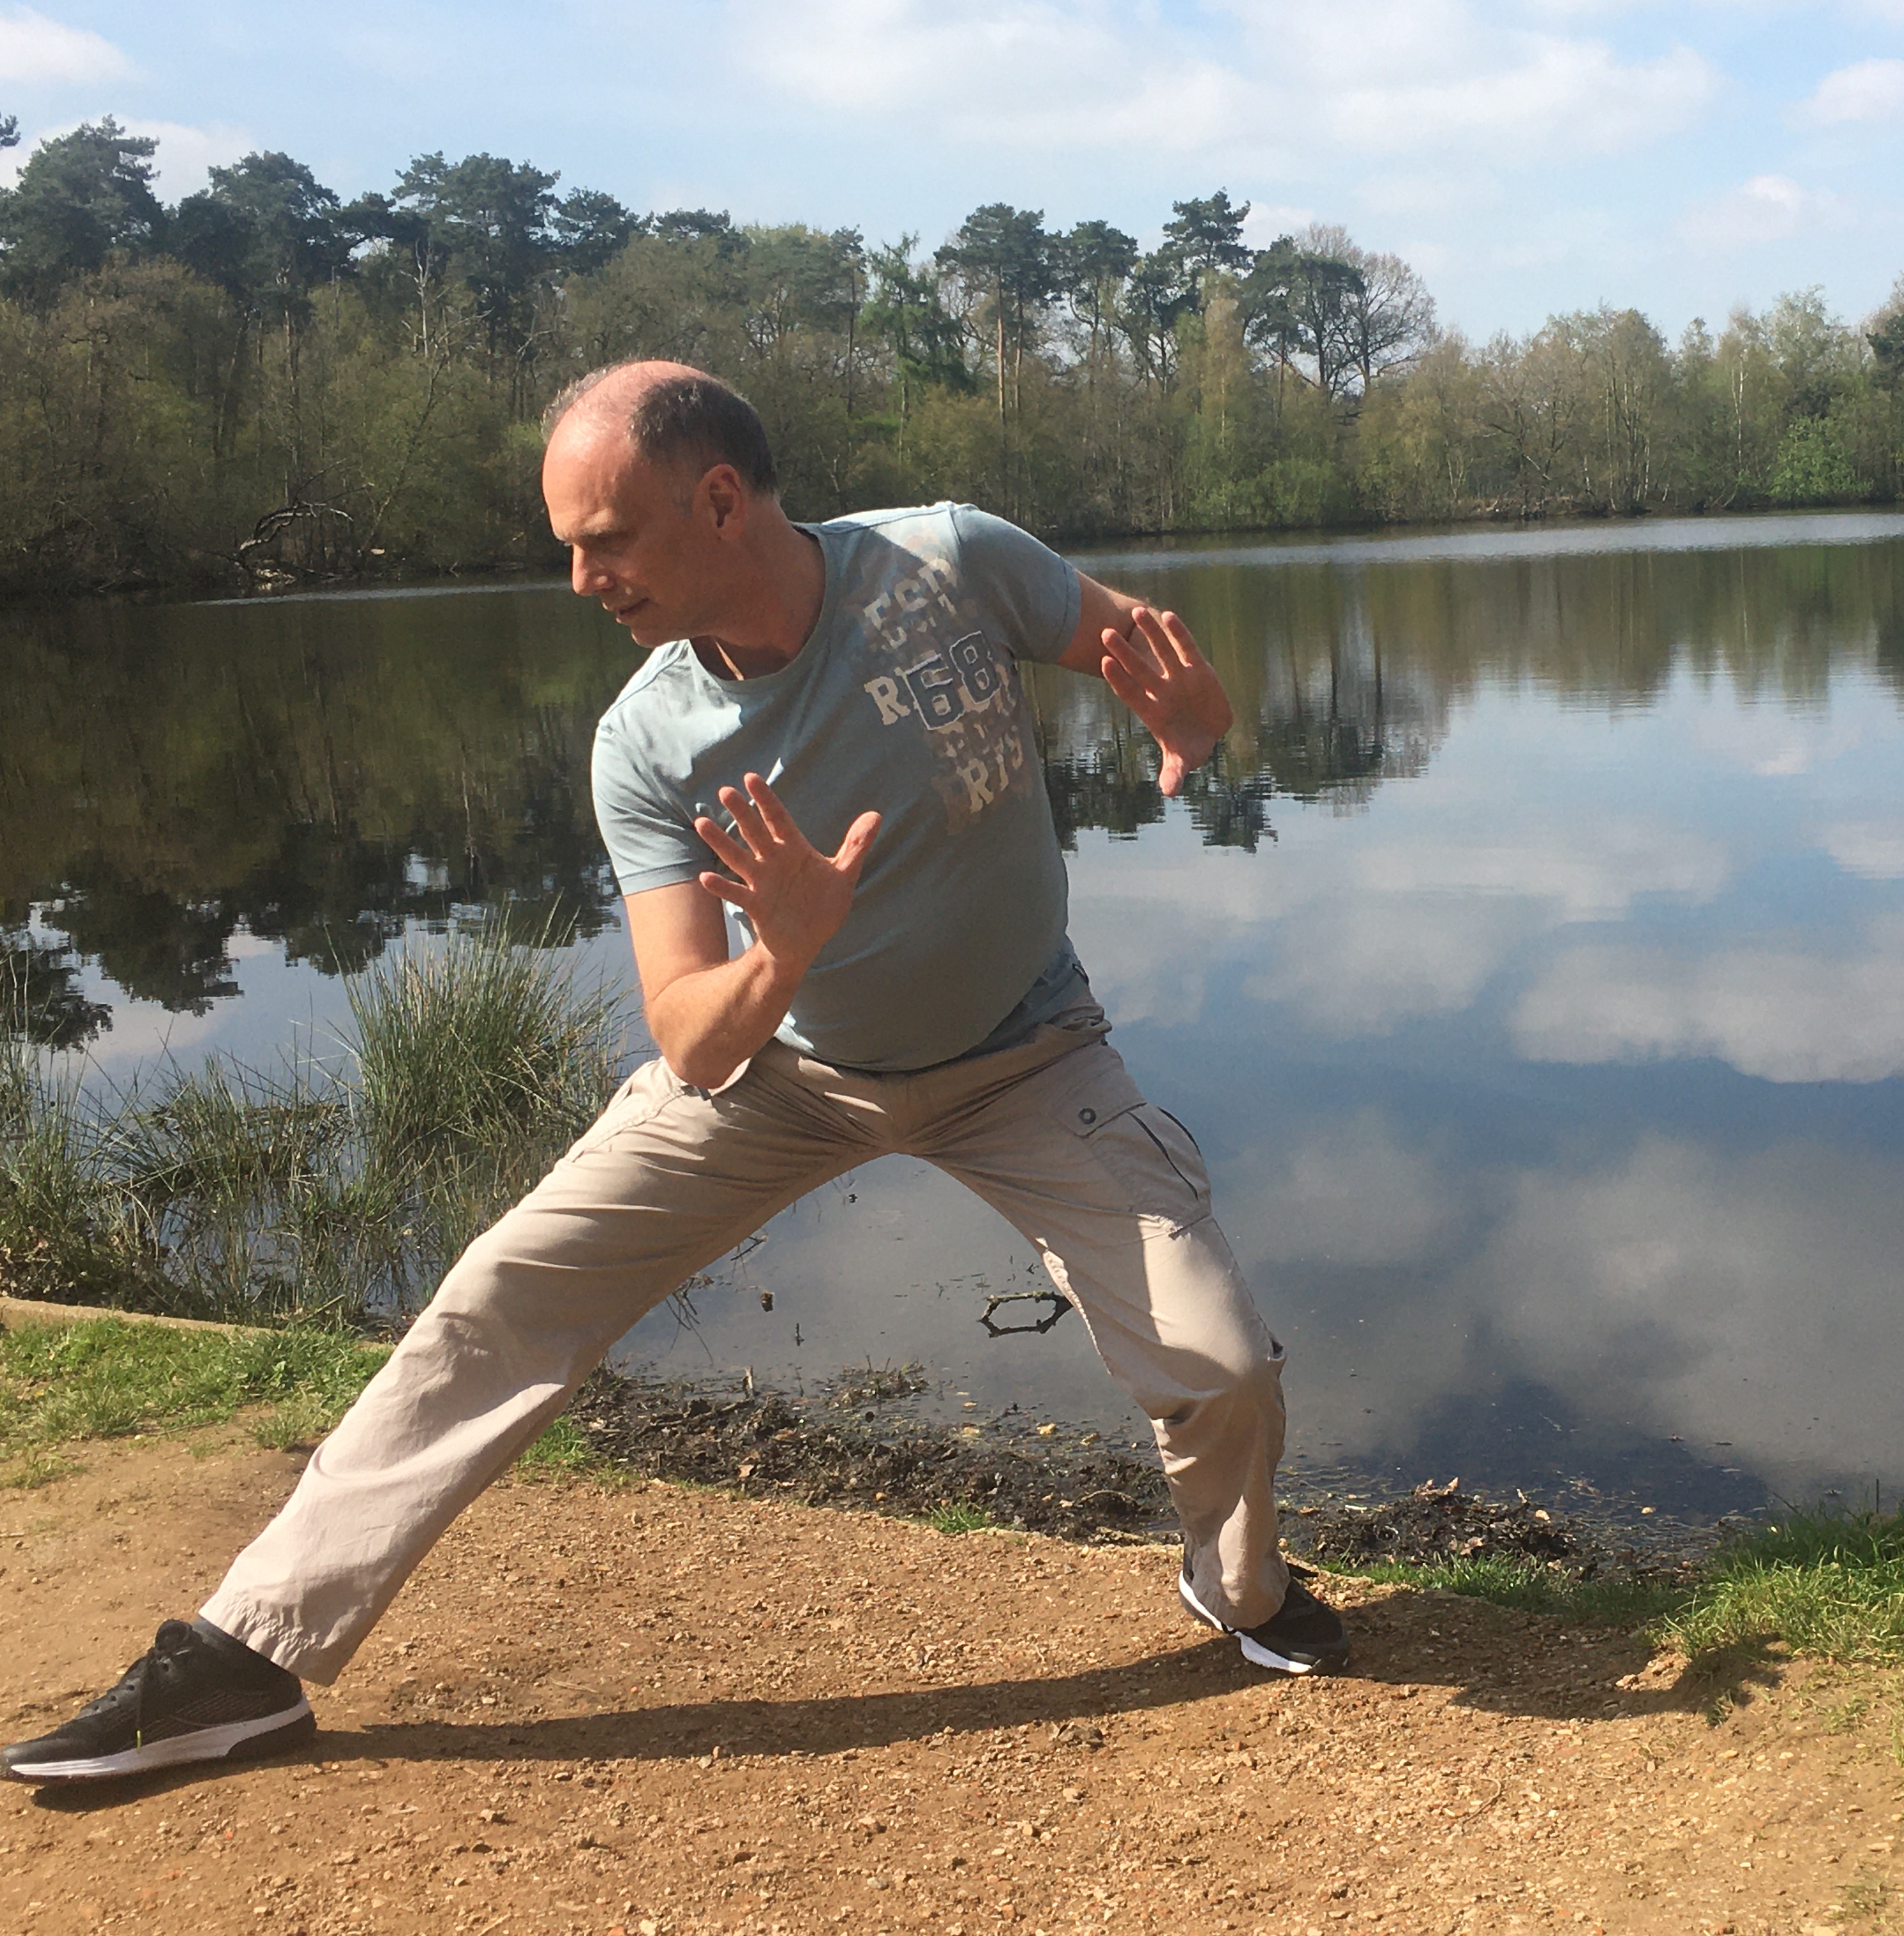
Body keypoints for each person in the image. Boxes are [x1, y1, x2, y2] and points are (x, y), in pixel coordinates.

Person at [3, 360, 1344, 1787]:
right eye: (565, 545)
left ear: (717, 500)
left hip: (1024, 1054)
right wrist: (788, 954)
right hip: (782, 1073)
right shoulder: (645, 743)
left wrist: (1194, 725)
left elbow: (1135, 653)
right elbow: (695, 1037)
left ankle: (1240, 1586)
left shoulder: (950, 561)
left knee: (1218, 1366)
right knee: (499, 1300)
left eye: (605, 539)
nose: (580, 578)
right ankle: (248, 1654)